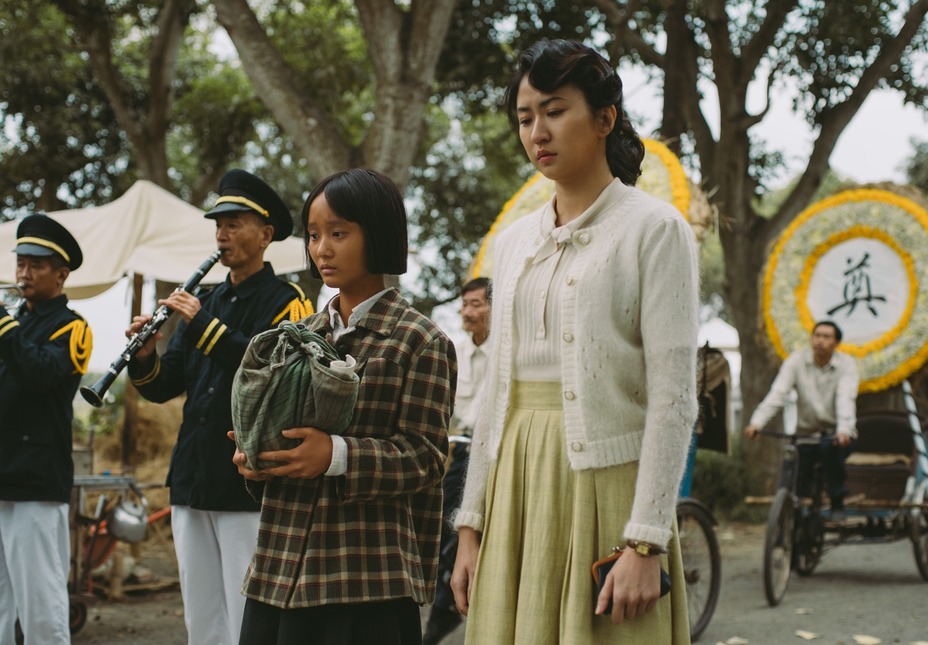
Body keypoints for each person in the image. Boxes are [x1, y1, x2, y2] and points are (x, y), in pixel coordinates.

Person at [451, 39, 698, 644]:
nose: (538, 131)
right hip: (516, 481)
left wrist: (645, 539)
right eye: (526, 117)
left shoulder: (654, 229)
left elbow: (672, 398)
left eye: (555, 110)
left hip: (608, 486)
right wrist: (470, 526)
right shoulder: (510, 244)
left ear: (605, 118)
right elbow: (495, 397)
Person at [231, 168, 457, 645]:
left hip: (363, 580)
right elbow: (281, 431)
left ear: (378, 233)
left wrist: (334, 455)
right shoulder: (299, 334)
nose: (322, 249)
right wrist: (261, 459)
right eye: (314, 235)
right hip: (278, 566)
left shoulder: (420, 340)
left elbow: (427, 458)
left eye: (338, 233)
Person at [125, 169, 314, 645]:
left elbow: (272, 368)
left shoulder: (287, 300)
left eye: (234, 223)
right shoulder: (206, 299)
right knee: (202, 617)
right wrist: (144, 355)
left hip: (244, 479)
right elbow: (164, 386)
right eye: (218, 224)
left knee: (245, 615)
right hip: (191, 474)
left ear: (266, 234)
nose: (222, 234)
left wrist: (203, 324)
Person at [0, 215, 91, 644]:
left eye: (36, 264)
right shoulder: (14, 324)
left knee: (41, 605)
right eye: (21, 263)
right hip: (3, 474)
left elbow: (38, 374)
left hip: (36, 478)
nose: (24, 272)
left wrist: (4, 325)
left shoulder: (73, 328)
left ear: (61, 273)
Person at [423, 276, 492, 645]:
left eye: (476, 304)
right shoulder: (453, 351)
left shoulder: (506, 353)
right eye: (464, 304)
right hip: (450, 449)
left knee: (451, 534)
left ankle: (444, 609)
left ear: (494, 309)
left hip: (482, 454)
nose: (467, 312)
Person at [744, 320, 858, 517]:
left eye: (826, 337)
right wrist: (757, 422)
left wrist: (843, 430)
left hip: (836, 435)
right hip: (806, 434)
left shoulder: (846, 364)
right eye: (817, 335)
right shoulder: (796, 361)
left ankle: (837, 500)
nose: (820, 341)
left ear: (836, 343)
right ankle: (789, 514)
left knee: (828, 448)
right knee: (793, 464)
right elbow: (778, 394)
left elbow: (845, 399)